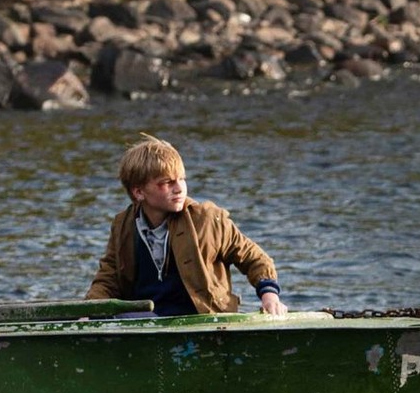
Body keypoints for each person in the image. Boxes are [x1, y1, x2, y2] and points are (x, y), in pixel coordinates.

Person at [86, 133, 287, 317]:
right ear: (139, 192)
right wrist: (89, 311)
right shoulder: (123, 225)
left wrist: (269, 296)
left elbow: (254, 258)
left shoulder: (208, 220)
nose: (179, 188)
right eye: (167, 182)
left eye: (182, 179)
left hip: (202, 319)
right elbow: (108, 277)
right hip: (144, 322)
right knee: (122, 317)